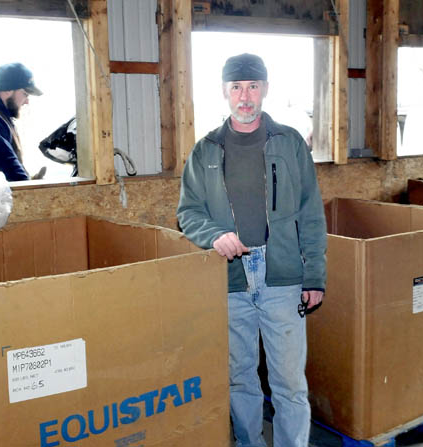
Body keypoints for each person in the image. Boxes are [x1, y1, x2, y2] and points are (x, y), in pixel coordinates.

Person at [177, 53, 327, 447]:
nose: (245, 96)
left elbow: (311, 213)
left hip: (282, 276)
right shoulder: (205, 150)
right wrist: (213, 235)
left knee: (289, 383)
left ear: (265, 89)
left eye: (253, 86)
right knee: (240, 377)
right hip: (231, 278)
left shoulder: (290, 143)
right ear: (225, 92)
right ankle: (249, 443)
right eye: (237, 87)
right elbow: (187, 212)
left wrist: (314, 276)